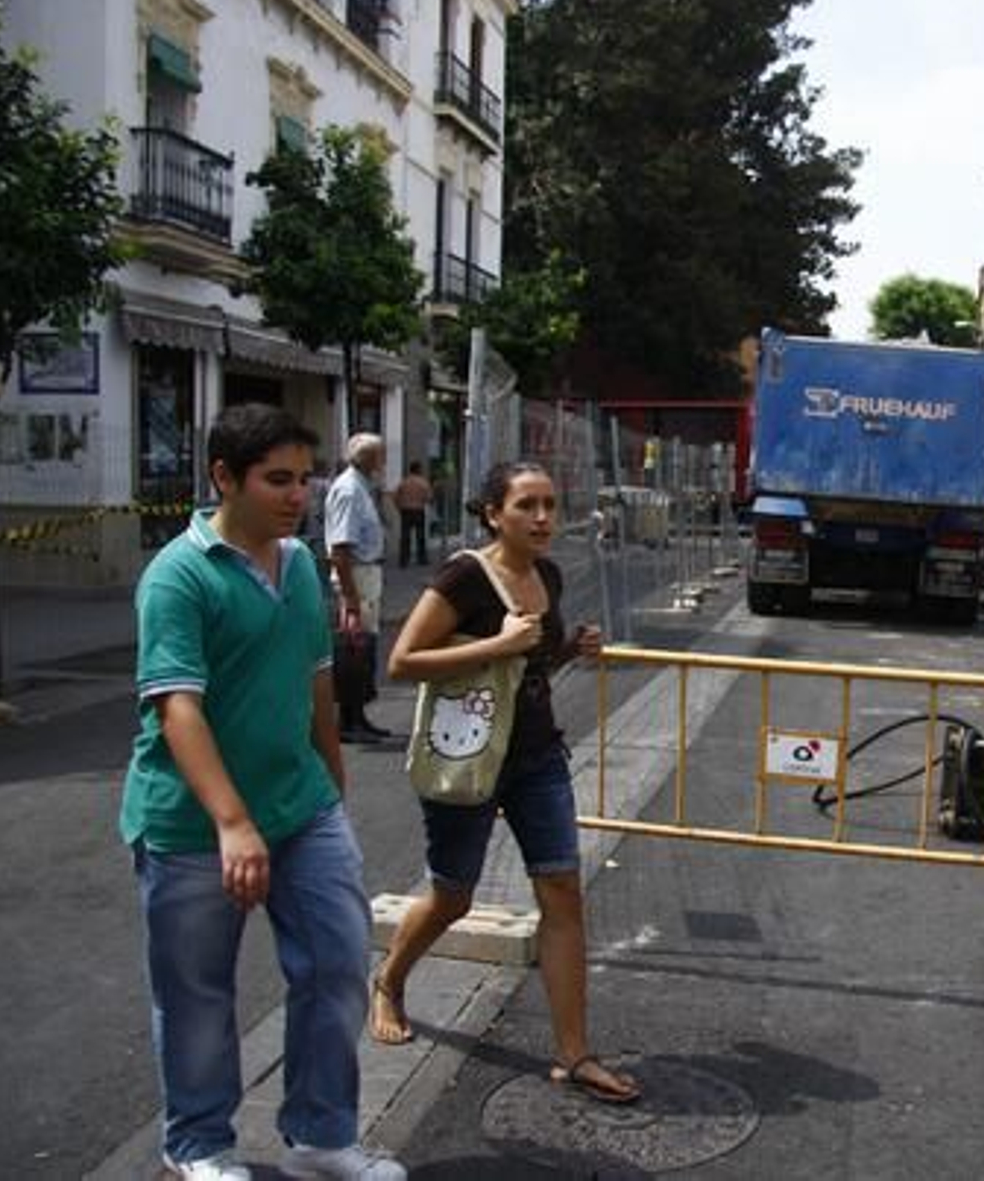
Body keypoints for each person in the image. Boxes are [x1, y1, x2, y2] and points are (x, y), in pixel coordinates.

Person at [120, 404, 404, 1181]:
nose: (298, 495)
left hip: (300, 806)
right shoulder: (177, 575)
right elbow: (176, 705)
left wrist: (331, 776)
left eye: (304, 478)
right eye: (278, 479)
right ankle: (199, 1146)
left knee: (338, 961)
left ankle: (320, 1136)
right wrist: (233, 822)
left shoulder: (300, 563)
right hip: (190, 824)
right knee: (197, 994)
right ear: (223, 477)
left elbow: (315, 676)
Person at [369, 461, 641, 1105]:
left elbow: (530, 662)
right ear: (494, 513)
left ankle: (574, 1053)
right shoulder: (464, 575)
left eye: (549, 504)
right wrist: (494, 643)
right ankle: (389, 980)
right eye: (527, 505)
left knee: (563, 892)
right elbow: (403, 662)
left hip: (536, 757)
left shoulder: (546, 573)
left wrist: (570, 646)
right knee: (454, 895)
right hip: (468, 757)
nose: (543, 517)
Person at [326, 433, 388, 742]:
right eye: (381, 455)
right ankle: (348, 720)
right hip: (357, 574)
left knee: (365, 649)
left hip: (367, 572)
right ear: (370, 459)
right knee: (355, 648)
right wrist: (350, 598)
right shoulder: (350, 491)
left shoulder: (362, 487)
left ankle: (358, 715)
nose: (384, 461)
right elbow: (340, 548)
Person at [393, 460, 432, 568]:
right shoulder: (423, 483)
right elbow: (429, 498)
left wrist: (399, 507)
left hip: (405, 511)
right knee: (420, 536)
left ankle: (403, 560)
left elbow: (395, 496)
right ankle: (422, 559)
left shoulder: (403, 482)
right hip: (418, 510)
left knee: (405, 536)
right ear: (419, 470)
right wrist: (422, 501)